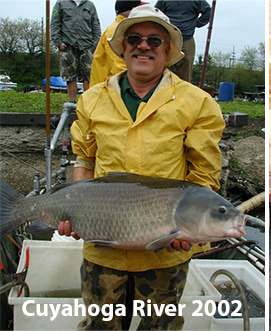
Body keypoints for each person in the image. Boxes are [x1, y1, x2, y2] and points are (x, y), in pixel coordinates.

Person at [62, 6, 225, 329]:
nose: (144, 46)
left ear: (167, 50)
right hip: (104, 248)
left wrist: (191, 231)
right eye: (134, 38)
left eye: (154, 40)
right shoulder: (92, 100)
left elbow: (203, 176)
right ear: (123, 48)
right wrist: (74, 211)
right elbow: (85, 162)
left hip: (165, 252)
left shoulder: (197, 103)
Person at [51, 0, 101, 103]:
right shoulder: (60, 3)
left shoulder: (90, 5)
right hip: (68, 45)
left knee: (88, 75)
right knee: (69, 75)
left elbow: (96, 24)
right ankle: (72, 101)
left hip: (86, 45)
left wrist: (95, 44)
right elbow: (55, 23)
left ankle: (88, 102)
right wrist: (58, 42)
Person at [88, 0, 147, 88]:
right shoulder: (117, 31)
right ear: (133, 10)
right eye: (140, 8)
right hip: (108, 91)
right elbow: (119, 67)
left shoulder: (119, 28)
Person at [154, 0, 211, 83]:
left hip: (187, 38)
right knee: (162, 69)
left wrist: (196, 23)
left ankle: (182, 93)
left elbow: (208, 11)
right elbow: (155, 12)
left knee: (186, 70)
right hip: (168, 38)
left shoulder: (198, 1)